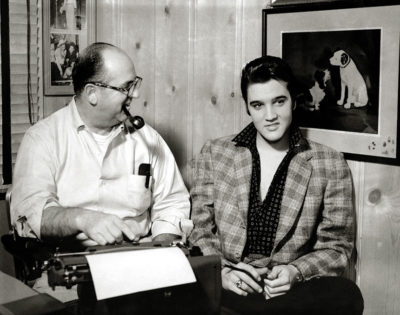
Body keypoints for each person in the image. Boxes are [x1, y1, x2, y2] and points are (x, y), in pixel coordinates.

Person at [189, 55, 364, 315]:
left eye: (279, 102)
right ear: (248, 108)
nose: (269, 115)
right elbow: (200, 229)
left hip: (287, 294)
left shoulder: (329, 162)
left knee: (347, 294)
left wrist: (295, 272)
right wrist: (223, 272)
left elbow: (336, 246)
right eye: (258, 105)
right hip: (231, 286)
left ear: (293, 100)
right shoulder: (215, 153)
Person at [11, 42, 191, 248]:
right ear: (92, 93)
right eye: (126, 87)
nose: (135, 95)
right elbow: (29, 214)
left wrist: (161, 248)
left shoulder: (148, 139)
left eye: (134, 84)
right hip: (68, 260)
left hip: (138, 255)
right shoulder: (42, 139)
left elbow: (172, 202)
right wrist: (82, 219)